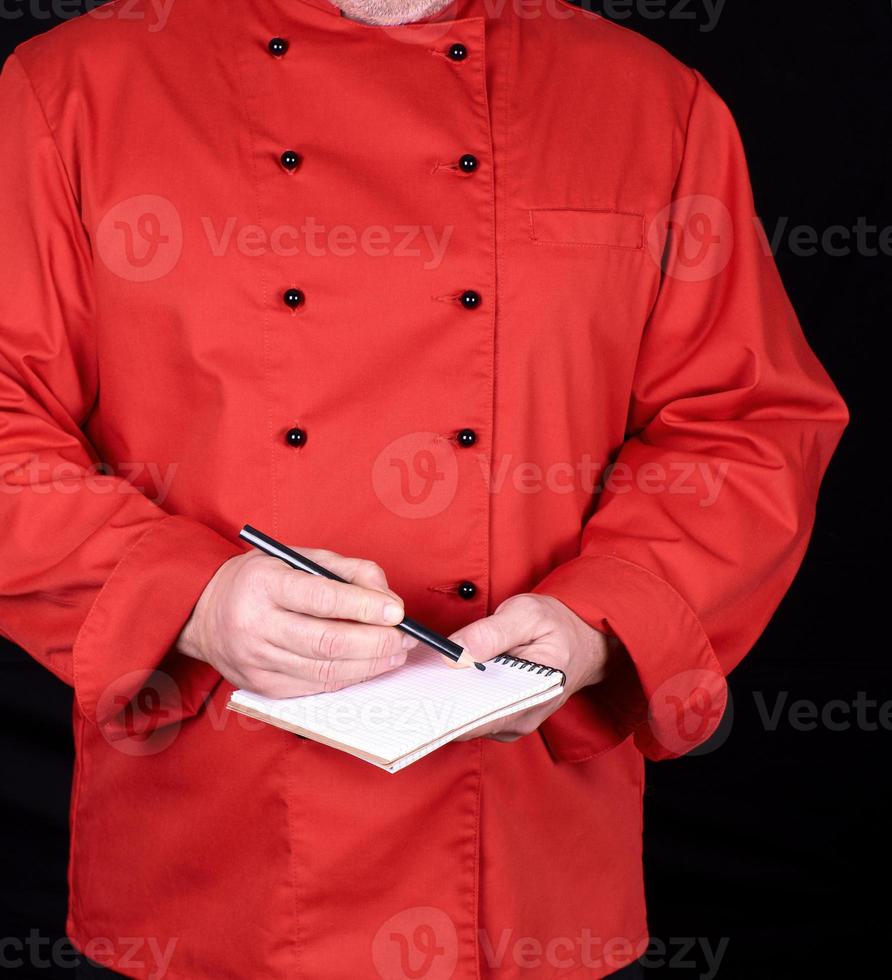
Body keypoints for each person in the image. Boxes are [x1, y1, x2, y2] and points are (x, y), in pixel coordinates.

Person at [0, 0, 847, 976]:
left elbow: (746, 425)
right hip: (207, 850)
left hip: (525, 861)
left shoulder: (651, 103)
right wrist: (186, 599)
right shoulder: (77, 87)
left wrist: (601, 618)